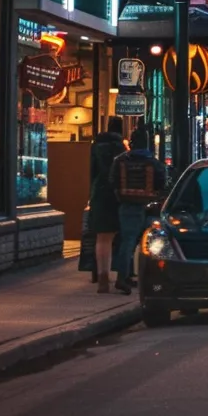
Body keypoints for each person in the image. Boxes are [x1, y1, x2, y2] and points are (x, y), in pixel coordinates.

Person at [111, 126, 168, 294]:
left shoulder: (120, 161)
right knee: (151, 244)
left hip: (127, 205)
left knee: (127, 242)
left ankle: (124, 276)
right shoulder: (154, 163)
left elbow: (112, 181)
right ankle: (144, 277)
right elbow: (162, 183)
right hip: (149, 207)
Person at [87, 119, 127, 293]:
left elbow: (92, 172)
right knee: (114, 237)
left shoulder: (96, 146)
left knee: (101, 238)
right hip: (115, 194)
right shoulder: (121, 148)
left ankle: (102, 276)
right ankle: (114, 273)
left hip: (99, 192)